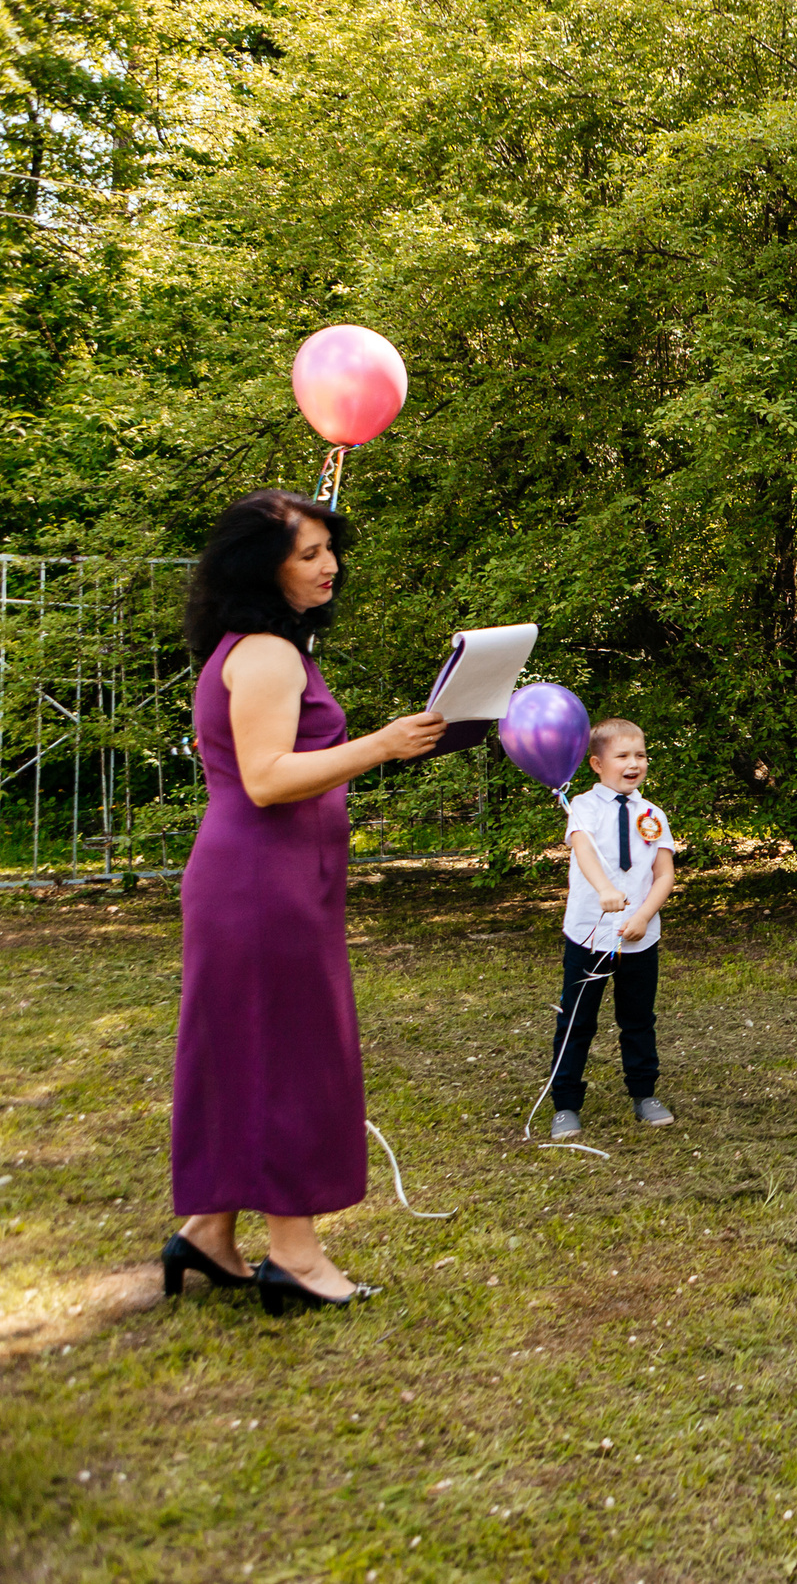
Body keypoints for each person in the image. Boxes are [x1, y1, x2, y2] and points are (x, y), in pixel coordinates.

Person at [164, 489, 447, 1314]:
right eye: (308, 554)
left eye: (330, 550)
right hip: (260, 881)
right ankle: (293, 1252)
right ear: (263, 568)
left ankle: (209, 1231)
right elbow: (266, 778)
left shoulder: (270, 648)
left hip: (279, 880)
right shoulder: (266, 654)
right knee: (289, 1055)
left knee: (247, 1049)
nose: (329, 566)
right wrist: (381, 744)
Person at [549, 719, 680, 1138]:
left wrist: (643, 916)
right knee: (577, 1020)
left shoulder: (652, 814)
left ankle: (644, 1093)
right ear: (596, 763)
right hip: (590, 934)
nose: (634, 763)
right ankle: (566, 1101)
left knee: (638, 1019)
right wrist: (604, 888)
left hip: (640, 938)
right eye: (622, 756)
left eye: (640, 755)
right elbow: (583, 849)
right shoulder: (583, 807)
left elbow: (664, 874)